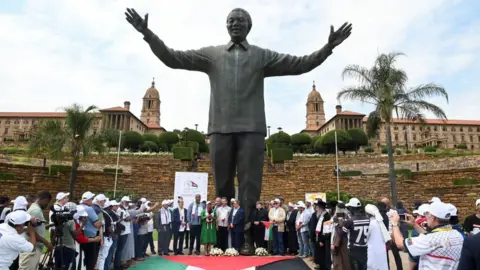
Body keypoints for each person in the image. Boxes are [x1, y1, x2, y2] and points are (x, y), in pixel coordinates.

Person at [125, 6, 352, 254]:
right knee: (222, 185)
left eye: (241, 20)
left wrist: (328, 47)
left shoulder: (261, 56)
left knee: (250, 187)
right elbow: (172, 57)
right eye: (231, 20)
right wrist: (147, 33)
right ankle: (222, 240)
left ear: (249, 26)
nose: (235, 24)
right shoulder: (212, 55)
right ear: (226, 25)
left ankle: (246, 239)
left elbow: (301, 64)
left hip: (252, 129)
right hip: (220, 128)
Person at [392, 201, 464, 269]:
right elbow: (430, 237)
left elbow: (400, 243)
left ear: (433, 218)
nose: (425, 216)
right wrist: (414, 224)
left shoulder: (430, 240)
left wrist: (395, 224)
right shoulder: (458, 235)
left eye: (427, 213)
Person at [19, 191, 53, 270]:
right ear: (43, 199)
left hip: (33, 248)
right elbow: (29, 230)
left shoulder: (36, 209)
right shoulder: (36, 211)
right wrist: (46, 243)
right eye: (47, 202)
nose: (47, 205)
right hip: (31, 249)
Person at [342, 198, 369, 270]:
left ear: (351, 208)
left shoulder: (350, 221)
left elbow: (342, 234)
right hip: (365, 249)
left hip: (354, 250)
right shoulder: (367, 219)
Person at [79, 191, 101, 270]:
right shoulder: (89, 209)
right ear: (87, 200)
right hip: (90, 237)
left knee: (81, 259)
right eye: (91, 199)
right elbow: (97, 224)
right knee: (90, 260)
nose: (92, 201)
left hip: (79, 237)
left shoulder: (78, 207)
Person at [364, 204, 390, 270]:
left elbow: (366, 236)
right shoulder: (379, 222)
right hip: (381, 249)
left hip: (372, 249)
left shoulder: (371, 223)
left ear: (368, 214)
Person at [331, 202, 350, 270]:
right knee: (345, 259)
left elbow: (338, 232)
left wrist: (334, 243)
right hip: (345, 240)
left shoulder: (338, 218)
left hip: (340, 241)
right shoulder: (348, 216)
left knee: (339, 259)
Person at [313, 200, 331, 270]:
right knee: (319, 253)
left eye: (317, 207)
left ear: (321, 208)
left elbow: (325, 230)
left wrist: (322, 240)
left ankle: (323, 267)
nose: (316, 209)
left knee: (323, 253)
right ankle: (320, 265)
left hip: (323, 238)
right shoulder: (321, 215)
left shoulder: (326, 216)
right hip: (318, 236)